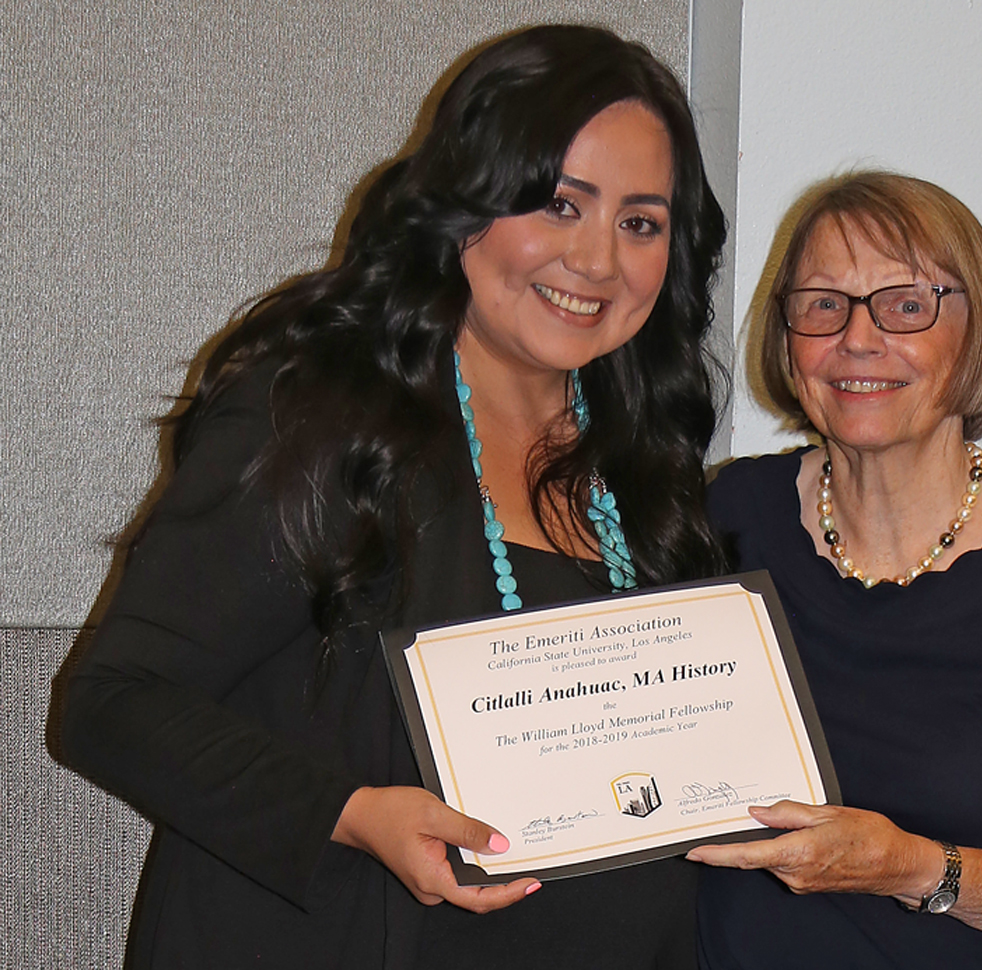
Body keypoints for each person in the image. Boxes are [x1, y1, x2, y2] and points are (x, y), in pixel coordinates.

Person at [61, 25, 728, 969]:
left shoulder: (647, 457)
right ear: (464, 206)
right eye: (556, 203)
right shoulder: (317, 417)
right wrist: (352, 815)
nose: (597, 261)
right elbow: (111, 704)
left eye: (640, 222)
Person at [688, 171, 982, 969]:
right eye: (822, 304)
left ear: (974, 331)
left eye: (906, 305)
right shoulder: (728, 515)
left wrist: (908, 868)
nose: (857, 338)